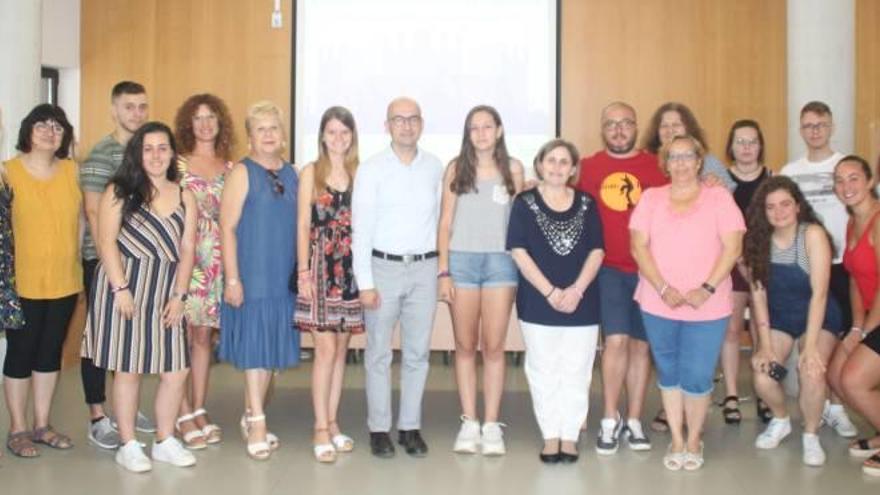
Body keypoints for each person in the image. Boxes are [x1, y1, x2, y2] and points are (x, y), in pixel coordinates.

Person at [81, 121, 198, 472]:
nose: (156, 155)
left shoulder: (184, 194)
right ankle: (129, 443)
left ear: (172, 153)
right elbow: (105, 241)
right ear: (138, 153)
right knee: (128, 369)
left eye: (163, 148)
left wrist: (180, 295)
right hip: (124, 288)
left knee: (176, 369)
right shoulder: (119, 189)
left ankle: (164, 440)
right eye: (148, 148)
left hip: (166, 291)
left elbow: (188, 248)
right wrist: (120, 288)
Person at [630, 135, 744, 471]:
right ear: (665, 163)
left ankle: (695, 439)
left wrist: (706, 288)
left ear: (699, 161)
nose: (680, 163)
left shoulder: (719, 198)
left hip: (707, 304)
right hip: (657, 300)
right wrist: (663, 287)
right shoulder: (650, 198)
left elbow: (732, 248)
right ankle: (677, 441)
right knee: (668, 371)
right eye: (673, 157)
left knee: (697, 374)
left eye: (687, 156)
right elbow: (639, 247)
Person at [352, 97, 444, 458]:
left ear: (421, 123)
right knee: (378, 354)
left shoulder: (435, 167)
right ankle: (378, 429)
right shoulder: (372, 169)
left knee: (418, 354)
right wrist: (365, 283)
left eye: (412, 119)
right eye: (398, 119)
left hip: (424, 269)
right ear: (387, 125)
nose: (406, 125)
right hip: (382, 270)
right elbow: (362, 229)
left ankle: (409, 427)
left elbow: (440, 222)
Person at [575, 101, 667, 454]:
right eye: (611, 124)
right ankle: (609, 419)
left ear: (636, 126)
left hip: (648, 271)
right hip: (608, 270)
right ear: (603, 129)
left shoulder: (656, 168)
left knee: (641, 347)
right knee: (615, 343)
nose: (618, 129)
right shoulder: (587, 168)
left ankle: (634, 420)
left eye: (625, 123)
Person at [507, 139, 603, 463]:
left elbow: (597, 250)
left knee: (577, 371)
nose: (558, 167)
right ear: (540, 165)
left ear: (573, 169)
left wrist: (575, 291)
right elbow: (518, 251)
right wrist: (549, 291)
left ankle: (569, 435)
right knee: (543, 369)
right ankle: (550, 435)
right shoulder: (524, 203)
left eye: (565, 162)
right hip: (537, 302)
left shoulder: (588, 203)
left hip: (583, 302)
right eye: (552, 161)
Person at [437, 105, 524, 456]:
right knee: (464, 346)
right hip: (462, 263)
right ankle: (469, 421)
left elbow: (521, 222)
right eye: (474, 127)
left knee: (493, 346)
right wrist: (444, 271)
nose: (482, 133)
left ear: (499, 130)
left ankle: (491, 424)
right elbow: (444, 223)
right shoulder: (456, 168)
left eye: (488, 126)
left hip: (501, 264)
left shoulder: (514, 168)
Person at [219, 101, 299, 461]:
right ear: (250, 137)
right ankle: (259, 423)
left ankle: (252, 413)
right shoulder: (242, 172)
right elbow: (227, 227)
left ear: (283, 135)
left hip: (283, 276)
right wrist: (233, 278)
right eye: (260, 129)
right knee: (255, 349)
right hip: (251, 273)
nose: (268, 135)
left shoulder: (295, 173)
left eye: (274, 128)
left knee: (269, 352)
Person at [743, 176, 842, 467]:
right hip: (780, 315)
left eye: (785, 204)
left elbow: (820, 294)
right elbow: (758, 297)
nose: (779, 212)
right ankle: (781, 419)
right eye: (771, 206)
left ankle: (811, 434)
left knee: (812, 371)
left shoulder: (812, 235)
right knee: (762, 373)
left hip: (818, 313)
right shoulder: (757, 242)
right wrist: (763, 346)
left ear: (798, 206)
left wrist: (810, 346)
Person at [2, 104, 82, 458]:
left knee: (50, 353)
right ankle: (17, 428)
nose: (50, 131)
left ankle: (42, 423)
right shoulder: (7, 172)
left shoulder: (72, 172)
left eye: (58, 127)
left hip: (65, 280)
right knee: (21, 353)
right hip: (22, 284)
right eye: (42, 125)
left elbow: (81, 221)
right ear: (27, 130)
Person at [79, 81, 154, 449]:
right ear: (114, 110)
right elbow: (93, 213)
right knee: (97, 341)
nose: (136, 114)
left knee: (128, 338)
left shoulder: (148, 153)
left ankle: (126, 406)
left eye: (142, 107)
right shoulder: (100, 155)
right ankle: (97, 416)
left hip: (141, 264)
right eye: (129, 107)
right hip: (104, 262)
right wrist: (112, 269)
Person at [780, 101, 857, 437]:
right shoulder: (789, 172)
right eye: (808, 125)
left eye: (821, 125)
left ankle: (838, 406)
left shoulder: (845, 166)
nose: (815, 131)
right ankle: (819, 404)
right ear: (800, 130)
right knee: (812, 340)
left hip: (844, 266)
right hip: (805, 269)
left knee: (844, 341)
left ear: (831, 127)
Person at [294, 106, 364, 463]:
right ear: (322, 135)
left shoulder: (360, 172)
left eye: (344, 132)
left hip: (350, 270)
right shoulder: (311, 172)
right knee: (323, 351)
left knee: (341, 351)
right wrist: (303, 272)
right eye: (332, 132)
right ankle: (320, 427)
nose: (338, 138)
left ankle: (333, 422)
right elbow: (302, 225)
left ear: (352, 136)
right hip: (320, 269)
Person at [172, 93, 236, 449]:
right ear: (188, 124)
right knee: (178, 339)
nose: (205, 123)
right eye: (197, 118)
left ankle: (198, 408)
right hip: (185, 260)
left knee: (202, 338)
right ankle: (180, 410)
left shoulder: (231, 167)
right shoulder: (175, 164)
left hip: (216, 263)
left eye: (211, 116)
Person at [830, 155, 880, 476]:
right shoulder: (852, 221)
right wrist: (856, 326)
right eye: (839, 180)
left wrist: (864, 333)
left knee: (853, 380)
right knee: (834, 376)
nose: (846, 187)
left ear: (870, 181)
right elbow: (854, 278)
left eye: (853, 178)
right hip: (870, 317)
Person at [720, 119, 772, 424]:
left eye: (752, 141)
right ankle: (730, 394)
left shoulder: (773, 177)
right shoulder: (720, 182)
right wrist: (738, 258)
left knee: (761, 330)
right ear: (731, 147)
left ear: (760, 146)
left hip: (765, 264)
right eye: (740, 142)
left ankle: (764, 391)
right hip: (733, 264)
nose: (747, 148)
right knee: (732, 329)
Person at [642, 101, 735, 190]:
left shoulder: (709, 161)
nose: (670, 130)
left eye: (676, 125)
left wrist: (717, 185)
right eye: (664, 126)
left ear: (689, 129)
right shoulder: (646, 161)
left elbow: (727, 195)